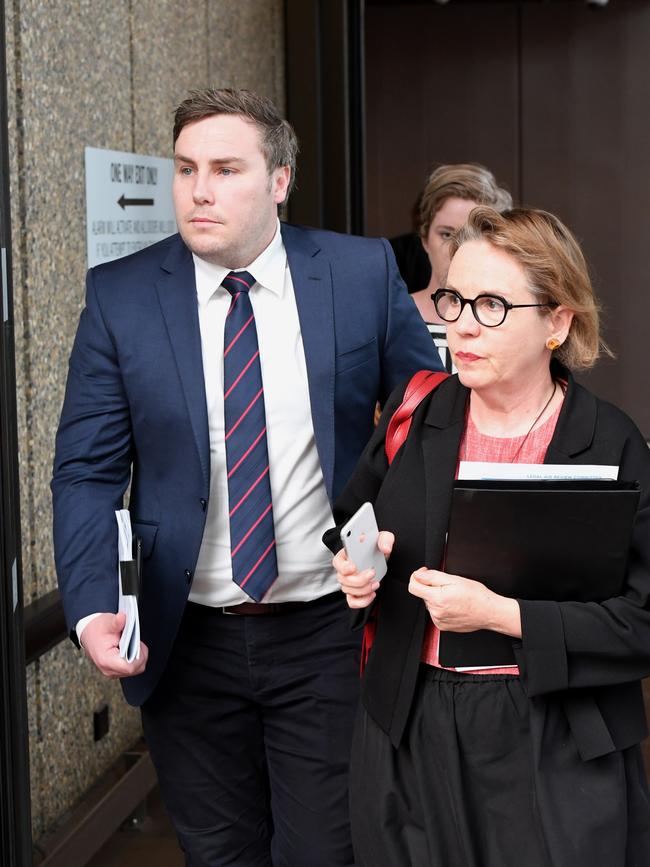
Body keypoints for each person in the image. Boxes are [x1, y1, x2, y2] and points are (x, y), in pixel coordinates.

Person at [51, 88, 442, 866]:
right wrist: (92, 604)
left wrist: (394, 546)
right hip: (185, 636)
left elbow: (425, 427)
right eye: (187, 168)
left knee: (327, 849)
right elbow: (87, 471)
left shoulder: (360, 274)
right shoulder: (122, 296)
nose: (199, 190)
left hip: (327, 632)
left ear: (280, 179)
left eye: (227, 168)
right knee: (220, 852)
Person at [326, 206, 650, 867]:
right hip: (412, 725)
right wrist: (356, 567)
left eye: (494, 305)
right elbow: (351, 515)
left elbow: (641, 621)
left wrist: (500, 615)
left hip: (555, 733)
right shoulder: (418, 414)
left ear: (557, 321)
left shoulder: (612, 443)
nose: (463, 323)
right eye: (456, 298)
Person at [412, 163, 511, 370]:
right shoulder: (394, 316)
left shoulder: (511, 316)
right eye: (446, 234)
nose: (455, 249)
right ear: (424, 239)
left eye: (471, 234)